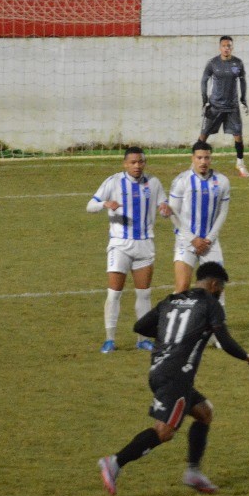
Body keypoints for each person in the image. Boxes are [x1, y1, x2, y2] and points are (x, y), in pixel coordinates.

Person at [98, 261, 249, 496]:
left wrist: (169, 334)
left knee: (204, 412)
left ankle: (193, 472)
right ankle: (114, 462)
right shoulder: (210, 303)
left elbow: (140, 326)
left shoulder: (172, 300)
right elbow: (224, 340)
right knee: (164, 431)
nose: (220, 293)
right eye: (221, 288)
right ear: (214, 285)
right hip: (176, 376)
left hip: (159, 370)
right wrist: (247, 357)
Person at [86, 146, 171, 353]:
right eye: (132, 162)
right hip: (120, 245)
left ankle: (143, 339)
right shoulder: (113, 181)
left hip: (145, 244)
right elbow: (90, 205)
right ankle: (110, 339)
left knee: (144, 294)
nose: (137, 166)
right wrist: (105, 204)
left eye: (140, 162)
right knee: (114, 293)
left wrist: (165, 210)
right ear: (125, 164)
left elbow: (164, 207)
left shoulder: (154, 183)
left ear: (145, 163)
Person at [168, 141, 232, 294]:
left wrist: (209, 239)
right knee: (182, 288)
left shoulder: (222, 181)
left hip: (210, 244)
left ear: (211, 159)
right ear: (193, 158)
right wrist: (193, 239)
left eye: (207, 158)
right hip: (186, 241)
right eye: (199, 158)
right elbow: (173, 213)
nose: (203, 162)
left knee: (216, 290)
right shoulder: (181, 181)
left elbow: (222, 212)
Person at [200, 35, 249, 177]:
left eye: (229, 46)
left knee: (238, 135)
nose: (226, 48)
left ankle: (240, 163)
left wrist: (243, 99)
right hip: (215, 106)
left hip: (232, 107)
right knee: (203, 135)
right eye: (224, 46)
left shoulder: (238, 63)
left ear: (232, 47)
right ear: (220, 47)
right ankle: (195, 164)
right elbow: (204, 81)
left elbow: (243, 81)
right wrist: (205, 101)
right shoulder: (213, 63)